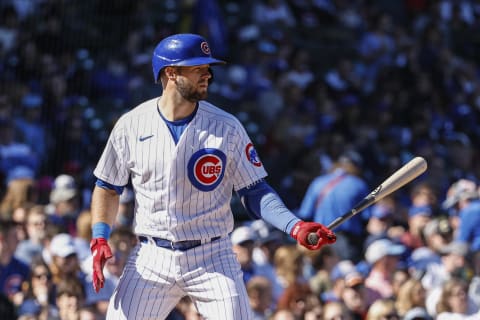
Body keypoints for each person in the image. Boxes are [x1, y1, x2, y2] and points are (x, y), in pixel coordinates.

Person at [88, 33, 336, 319]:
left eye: (208, 68)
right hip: (151, 255)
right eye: (198, 68)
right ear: (171, 73)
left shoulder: (226, 126)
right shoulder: (131, 125)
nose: (207, 74)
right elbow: (107, 186)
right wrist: (99, 237)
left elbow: (254, 190)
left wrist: (295, 226)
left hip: (212, 255)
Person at [296, 150, 370, 262]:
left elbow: (305, 214)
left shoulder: (317, 182)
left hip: (320, 239)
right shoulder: (358, 184)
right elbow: (366, 217)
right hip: (347, 241)